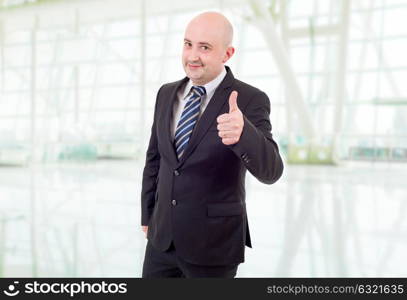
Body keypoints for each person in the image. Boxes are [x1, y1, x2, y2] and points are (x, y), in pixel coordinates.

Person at [140, 11, 283, 278]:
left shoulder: (250, 99)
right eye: (188, 44)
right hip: (162, 241)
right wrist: (147, 215)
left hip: (213, 245)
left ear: (227, 54)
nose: (192, 56)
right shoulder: (166, 93)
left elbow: (272, 171)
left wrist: (245, 134)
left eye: (204, 48)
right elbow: (155, 159)